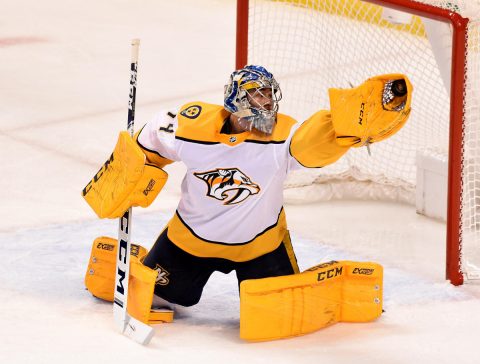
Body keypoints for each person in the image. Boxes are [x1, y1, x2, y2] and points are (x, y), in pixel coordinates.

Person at [131, 65, 412, 310]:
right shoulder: (192, 126)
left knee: (277, 310)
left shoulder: (284, 137)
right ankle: (138, 265)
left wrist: (342, 127)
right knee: (159, 297)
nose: (266, 103)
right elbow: (150, 140)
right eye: (258, 94)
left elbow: (313, 141)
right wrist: (129, 172)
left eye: (269, 94)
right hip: (189, 240)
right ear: (236, 98)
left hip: (260, 247)